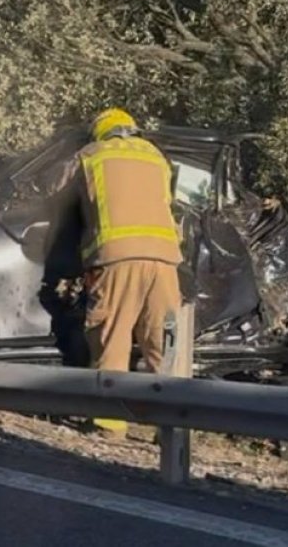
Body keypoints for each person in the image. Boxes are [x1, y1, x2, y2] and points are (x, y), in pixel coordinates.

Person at [52, 108, 183, 437]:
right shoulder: (157, 157)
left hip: (117, 257)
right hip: (165, 259)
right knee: (162, 344)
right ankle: (170, 430)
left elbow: (57, 195)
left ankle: (109, 424)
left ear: (99, 131)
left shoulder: (91, 155)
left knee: (112, 337)